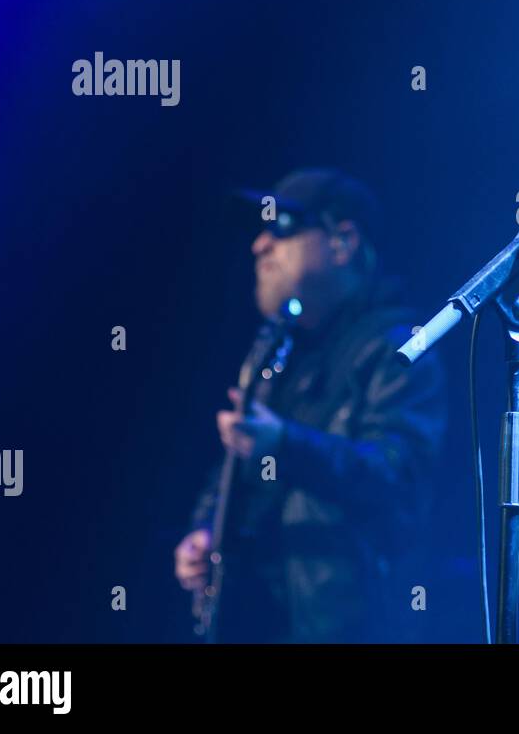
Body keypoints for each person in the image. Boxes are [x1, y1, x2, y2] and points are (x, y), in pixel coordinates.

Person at [173, 169, 446, 642]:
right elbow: (230, 475)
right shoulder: (279, 353)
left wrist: (283, 443)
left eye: (280, 228)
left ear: (342, 241)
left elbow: (397, 476)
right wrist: (202, 533)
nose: (259, 246)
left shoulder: (400, 349)